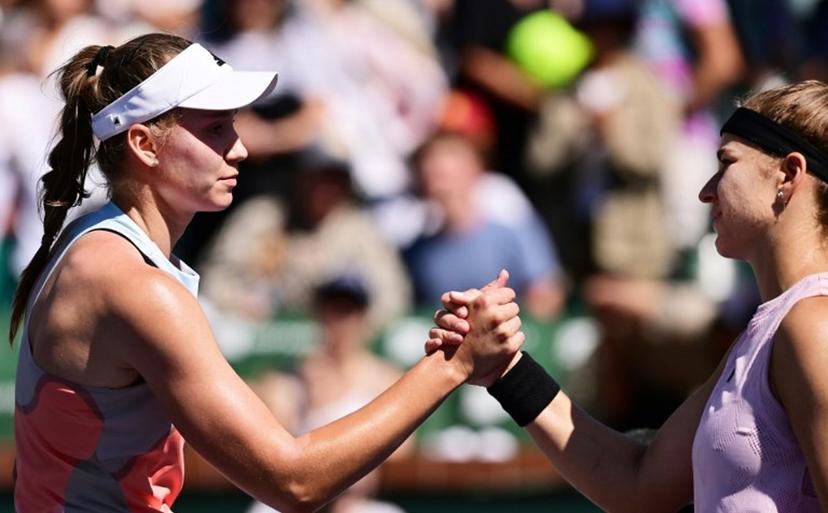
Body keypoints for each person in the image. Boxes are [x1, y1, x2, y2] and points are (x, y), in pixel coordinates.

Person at [10, 33, 524, 511]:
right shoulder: (133, 286)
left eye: (232, 126)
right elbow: (293, 481)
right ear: (144, 144)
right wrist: (453, 366)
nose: (240, 148)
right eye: (214, 129)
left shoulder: (101, 251)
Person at [431, 80, 828, 510]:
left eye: (726, 163)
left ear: (788, 174)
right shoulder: (771, 330)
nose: (705, 191)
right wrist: (505, 368)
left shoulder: (812, 326)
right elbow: (639, 484)